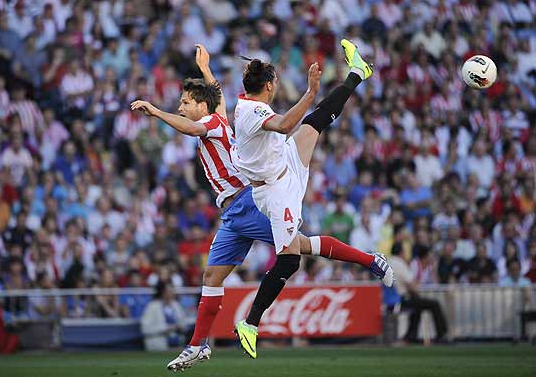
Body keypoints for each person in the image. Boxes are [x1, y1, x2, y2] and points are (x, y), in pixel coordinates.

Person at [131, 43, 392, 369]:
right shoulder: (224, 114)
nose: (181, 107)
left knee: (296, 250)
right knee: (212, 277)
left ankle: (369, 262)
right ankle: (198, 346)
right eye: (179, 103)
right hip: (232, 214)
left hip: (248, 201)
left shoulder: (210, 124)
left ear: (200, 106)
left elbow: (192, 126)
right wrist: (206, 69)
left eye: (185, 103)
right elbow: (216, 95)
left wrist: (156, 111)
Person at [231, 39, 393, 358]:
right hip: (276, 191)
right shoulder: (253, 110)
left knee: (317, 121)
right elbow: (284, 123)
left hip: (282, 163)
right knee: (292, 257)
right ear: (267, 85)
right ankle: (250, 323)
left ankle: (358, 73)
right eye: (275, 82)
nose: (277, 87)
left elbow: (286, 125)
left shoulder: (246, 102)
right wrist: (310, 91)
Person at [388, 242, 448, 343]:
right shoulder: (399, 263)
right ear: (401, 252)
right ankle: (442, 335)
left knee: (417, 306)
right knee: (434, 304)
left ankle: (411, 336)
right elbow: (412, 287)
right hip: (400, 299)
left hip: (388, 299)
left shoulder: (387, 262)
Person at [140, 281, 187, 351]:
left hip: (178, 345)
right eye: (169, 291)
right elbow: (145, 329)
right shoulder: (152, 306)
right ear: (162, 292)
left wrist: (179, 327)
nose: (172, 293)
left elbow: (184, 323)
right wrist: (166, 328)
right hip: (158, 345)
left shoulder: (176, 305)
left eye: (172, 290)